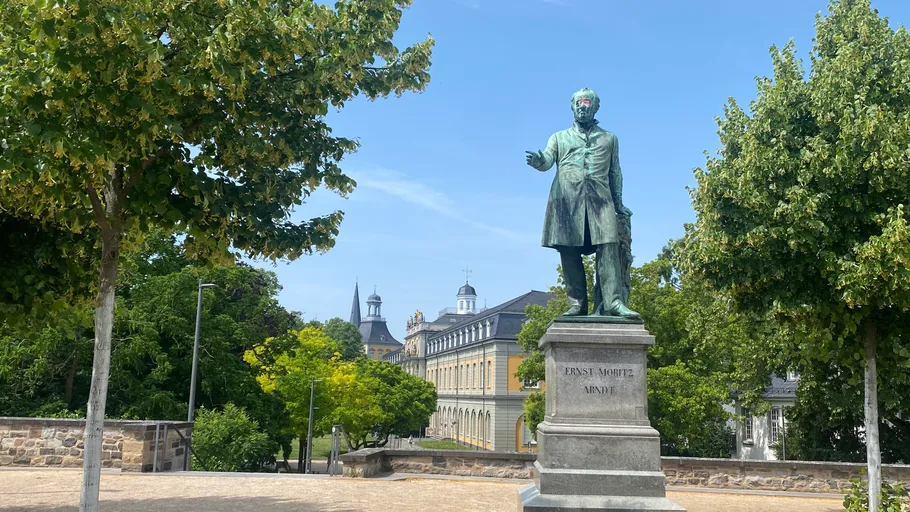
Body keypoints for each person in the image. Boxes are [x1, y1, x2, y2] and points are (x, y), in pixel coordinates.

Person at [525, 88, 640, 318]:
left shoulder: (609, 138)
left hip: (601, 200)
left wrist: (619, 204)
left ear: (595, 107)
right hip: (566, 201)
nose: (582, 107)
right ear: (572, 107)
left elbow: (615, 172)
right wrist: (539, 161)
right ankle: (577, 303)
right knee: (569, 251)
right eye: (578, 104)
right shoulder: (558, 137)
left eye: (587, 104)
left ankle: (613, 302)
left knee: (608, 246)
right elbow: (548, 159)